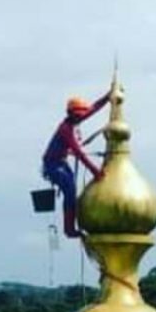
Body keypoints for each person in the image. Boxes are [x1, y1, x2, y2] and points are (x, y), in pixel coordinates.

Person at [41, 91, 109, 238]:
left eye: (80, 116)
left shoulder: (76, 119)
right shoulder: (65, 129)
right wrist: (95, 171)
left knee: (72, 188)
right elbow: (79, 153)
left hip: (61, 161)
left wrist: (108, 96)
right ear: (70, 114)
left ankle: (71, 224)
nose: (79, 118)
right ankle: (69, 228)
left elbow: (94, 107)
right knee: (70, 189)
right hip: (53, 165)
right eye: (77, 116)